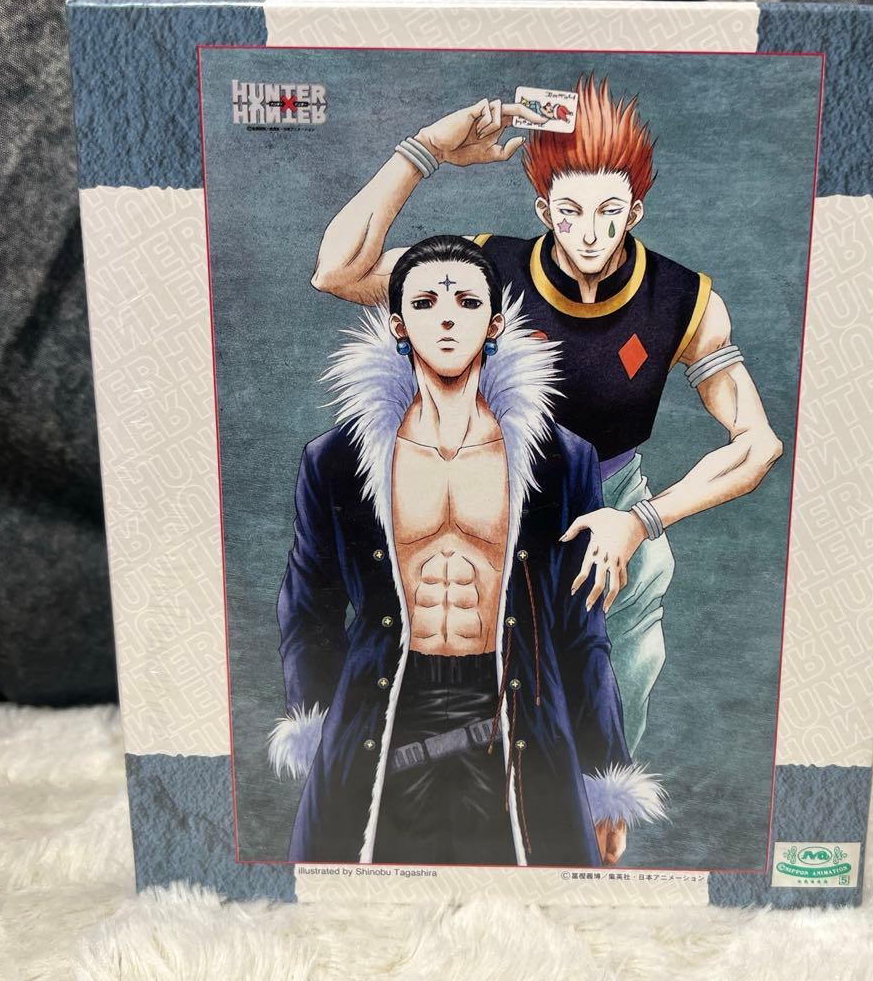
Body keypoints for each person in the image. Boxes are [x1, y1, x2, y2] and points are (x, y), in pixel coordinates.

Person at [309, 76, 783, 754]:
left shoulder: (684, 299)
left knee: (608, 741)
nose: (589, 232)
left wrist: (641, 521)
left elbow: (757, 444)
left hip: (614, 524)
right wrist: (427, 148)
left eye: (608, 211)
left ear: (635, 211)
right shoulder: (484, 270)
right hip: (488, 518)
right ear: (543, 208)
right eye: (570, 212)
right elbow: (337, 272)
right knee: (473, 740)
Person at [268, 236, 664, 866]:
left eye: (467, 302)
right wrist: (321, 729)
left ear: (495, 323)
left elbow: (581, 631)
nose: (447, 318)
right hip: (383, 706)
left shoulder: (562, 462)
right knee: (359, 899)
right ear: (398, 325)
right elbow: (307, 610)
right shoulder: (336, 461)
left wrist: (604, 779)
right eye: (425, 302)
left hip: (517, 708)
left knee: (534, 903)